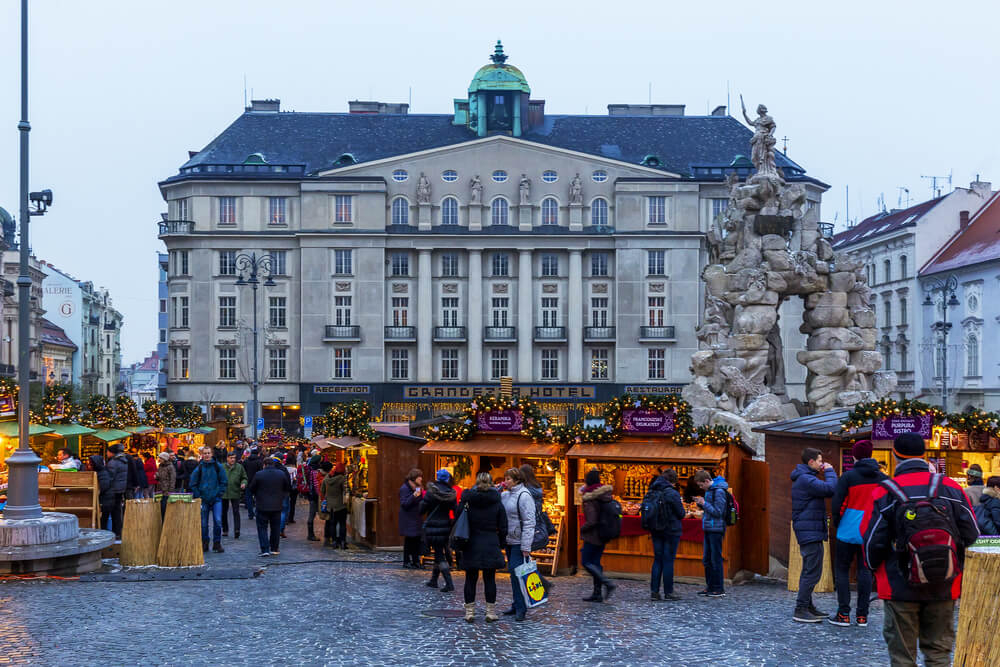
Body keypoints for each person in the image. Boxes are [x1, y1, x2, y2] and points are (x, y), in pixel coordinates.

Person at [862, 432, 979, 667]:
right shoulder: (950, 487)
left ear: (895, 456)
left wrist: (875, 569)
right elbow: (972, 533)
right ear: (924, 455)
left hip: (899, 586)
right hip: (944, 584)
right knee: (938, 653)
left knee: (902, 657)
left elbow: (872, 541)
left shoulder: (884, 492)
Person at [829, 439, 886, 627]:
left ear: (854, 455)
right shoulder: (883, 479)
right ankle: (863, 616)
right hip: (871, 531)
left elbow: (837, 504)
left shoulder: (848, 477)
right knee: (865, 572)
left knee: (842, 570)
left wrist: (837, 523)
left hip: (848, 529)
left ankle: (843, 614)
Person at [790, 447, 837, 622]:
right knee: (812, 571)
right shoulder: (806, 480)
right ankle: (800, 609)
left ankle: (807, 606)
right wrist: (830, 472)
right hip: (809, 531)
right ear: (811, 462)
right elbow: (831, 489)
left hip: (810, 529)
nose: (821, 464)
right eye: (819, 460)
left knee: (809, 569)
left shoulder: (806, 478)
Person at [458, 472, 507, 623]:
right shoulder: (497, 501)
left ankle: (469, 612)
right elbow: (503, 526)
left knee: (470, 579)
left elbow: (459, 516)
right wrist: (500, 542)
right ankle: (490, 612)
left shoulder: (469, 500)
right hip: (490, 542)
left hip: (472, 542)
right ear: (491, 483)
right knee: (490, 578)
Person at [647, 468, 686, 601]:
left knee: (657, 560)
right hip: (671, 530)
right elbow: (681, 513)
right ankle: (669, 592)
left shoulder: (652, 490)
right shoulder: (672, 493)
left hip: (655, 530)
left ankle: (654, 592)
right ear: (672, 481)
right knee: (668, 560)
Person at [579, 468, 616, 604]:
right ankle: (597, 593)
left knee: (586, 562)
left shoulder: (590, 497)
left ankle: (607, 583)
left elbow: (592, 520)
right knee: (595, 563)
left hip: (592, 535)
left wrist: (582, 528)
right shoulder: (604, 494)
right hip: (603, 533)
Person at [692, 468, 729, 598]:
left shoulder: (718, 492)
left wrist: (704, 503)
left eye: (702, 485)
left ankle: (719, 588)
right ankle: (710, 587)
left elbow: (719, 512)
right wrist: (702, 504)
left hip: (716, 529)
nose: (701, 488)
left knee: (715, 559)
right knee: (707, 559)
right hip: (709, 528)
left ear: (707, 481)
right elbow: (711, 509)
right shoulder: (710, 491)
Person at [421, 468, 457, 593]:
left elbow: (422, 509)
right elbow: (456, 510)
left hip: (433, 527)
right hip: (445, 527)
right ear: (447, 479)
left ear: (437, 478)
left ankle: (449, 583)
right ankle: (433, 580)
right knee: (438, 552)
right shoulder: (451, 494)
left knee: (439, 555)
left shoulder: (430, 493)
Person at [248, 457, 291, 556]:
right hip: (277, 505)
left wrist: (257, 495)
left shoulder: (259, 474)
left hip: (262, 505)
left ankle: (265, 549)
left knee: (262, 528)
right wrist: (281, 496)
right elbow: (287, 487)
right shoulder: (281, 474)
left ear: (264, 464)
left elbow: (251, 488)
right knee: (275, 528)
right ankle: (274, 548)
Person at [189, 446, 228, 553]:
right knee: (203, 523)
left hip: (216, 499)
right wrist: (198, 495)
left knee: (218, 521)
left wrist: (219, 493)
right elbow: (192, 483)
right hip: (203, 499)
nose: (206, 455)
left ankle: (217, 543)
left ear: (211, 454)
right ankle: (205, 543)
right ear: (202, 455)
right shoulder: (199, 467)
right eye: (205, 453)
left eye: (208, 453)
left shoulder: (218, 466)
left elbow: (224, 481)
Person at [398, 468, 424, 568]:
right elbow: (404, 504)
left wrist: (421, 495)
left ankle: (415, 561)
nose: (421, 479)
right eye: (419, 477)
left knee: (416, 540)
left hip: (416, 517)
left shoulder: (418, 487)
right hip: (408, 518)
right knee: (409, 540)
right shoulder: (404, 488)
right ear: (414, 478)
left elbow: (420, 501)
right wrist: (414, 495)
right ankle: (406, 561)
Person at [321, 462, 349, 548]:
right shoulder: (342, 478)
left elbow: (322, 491)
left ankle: (333, 542)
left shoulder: (326, 479)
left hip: (330, 506)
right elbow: (345, 491)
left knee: (332, 524)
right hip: (341, 505)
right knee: (342, 524)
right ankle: (343, 542)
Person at [222, 452, 247, 539]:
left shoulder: (239, 467)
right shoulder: (222, 467)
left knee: (236, 512)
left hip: (235, 492)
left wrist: (243, 483)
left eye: (234, 458)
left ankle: (237, 530)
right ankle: (225, 530)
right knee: (223, 512)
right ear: (227, 458)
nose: (233, 459)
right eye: (231, 458)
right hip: (224, 493)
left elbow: (244, 477)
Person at [106, 444, 129, 539]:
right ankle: (118, 531)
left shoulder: (113, 463)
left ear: (112, 452)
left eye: (107, 452)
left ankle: (113, 532)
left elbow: (110, 477)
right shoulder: (123, 461)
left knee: (111, 511)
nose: (106, 453)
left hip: (113, 489)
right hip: (120, 489)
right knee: (117, 511)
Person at [297, 455, 322, 542]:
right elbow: (316, 484)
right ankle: (310, 535)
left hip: (311, 495)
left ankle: (310, 534)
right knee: (312, 515)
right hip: (314, 496)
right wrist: (320, 495)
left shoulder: (310, 468)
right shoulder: (315, 471)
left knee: (312, 514)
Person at [89, 455, 114, 533]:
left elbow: (104, 486)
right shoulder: (101, 471)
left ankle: (104, 533)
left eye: (91, 464)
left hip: (106, 499)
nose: (89, 465)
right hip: (106, 498)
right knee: (104, 519)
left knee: (104, 519)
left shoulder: (102, 472)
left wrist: (97, 493)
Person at [243, 447, 263, 520]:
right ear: (258, 454)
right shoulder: (259, 462)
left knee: (249, 499)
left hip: (248, 482)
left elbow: (243, 471)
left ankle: (250, 514)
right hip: (257, 482)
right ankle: (257, 512)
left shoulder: (246, 461)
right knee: (258, 499)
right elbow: (261, 472)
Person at [155, 451, 176, 519]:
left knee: (164, 508)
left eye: (160, 458)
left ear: (164, 458)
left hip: (166, 491)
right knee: (160, 508)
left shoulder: (170, 467)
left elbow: (172, 479)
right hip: (160, 490)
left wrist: (170, 491)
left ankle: (165, 523)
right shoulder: (160, 466)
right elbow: (160, 477)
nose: (159, 459)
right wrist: (157, 476)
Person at [285, 454, 299, 525]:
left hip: (286, 488)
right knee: (293, 503)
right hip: (294, 488)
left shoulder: (284, 469)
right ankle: (291, 518)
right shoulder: (296, 470)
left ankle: (286, 518)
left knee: (285, 503)